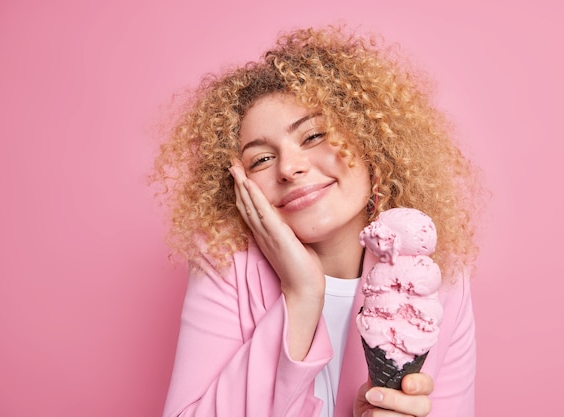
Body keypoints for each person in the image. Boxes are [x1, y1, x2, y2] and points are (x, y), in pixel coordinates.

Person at [153, 25, 481, 417]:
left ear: (368, 137)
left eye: (313, 136)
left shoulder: (436, 277)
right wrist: (301, 294)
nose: (289, 168)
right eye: (260, 159)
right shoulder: (225, 265)